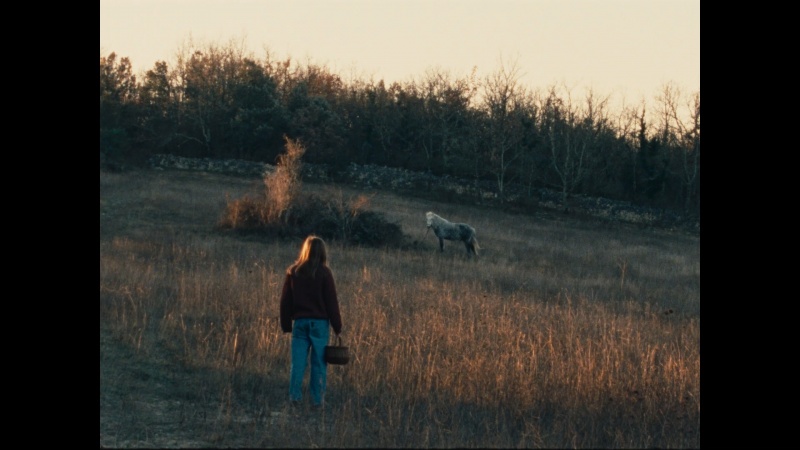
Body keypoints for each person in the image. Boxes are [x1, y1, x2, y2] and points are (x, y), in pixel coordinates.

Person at [279, 235, 343, 408]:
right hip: (320, 325)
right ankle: (317, 400)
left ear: (305, 250)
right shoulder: (325, 273)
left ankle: (294, 397)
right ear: (322, 252)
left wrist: (286, 325)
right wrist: (337, 327)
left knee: (297, 363)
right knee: (319, 363)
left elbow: (285, 301)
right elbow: (331, 302)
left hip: (300, 323)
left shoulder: (293, 272)